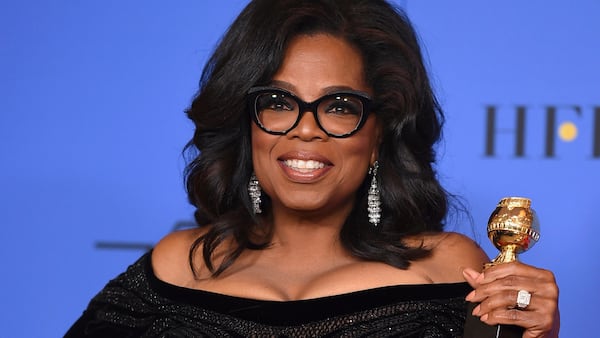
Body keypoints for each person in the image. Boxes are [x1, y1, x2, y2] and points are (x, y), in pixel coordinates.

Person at [65, 0, 559, 337]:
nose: (305, 130)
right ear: (248, 126)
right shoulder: (180, 265)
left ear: (378, 135)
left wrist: (538, 332)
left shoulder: (449, 267)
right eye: (279, 102)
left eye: (340, 105)